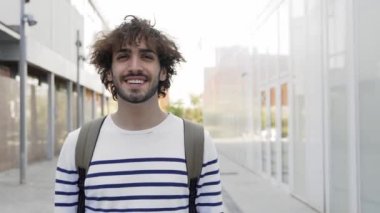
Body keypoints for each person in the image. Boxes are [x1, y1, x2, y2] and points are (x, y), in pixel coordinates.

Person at [54, 15, 223, 212]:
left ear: (163, 72)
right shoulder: (77, 145)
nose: (134, 67)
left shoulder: (198, 143)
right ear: (109, 72)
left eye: (147, 56)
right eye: (123, 56)